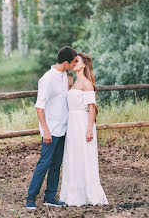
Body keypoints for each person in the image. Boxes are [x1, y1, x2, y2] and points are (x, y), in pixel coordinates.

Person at [26, 46, 77, 209]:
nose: (75, 65)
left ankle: (50, 196)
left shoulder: (64, 76)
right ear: (66, 62)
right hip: (51, 130)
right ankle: (31, 198)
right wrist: (46, 130)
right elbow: (39, 107)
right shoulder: (47, 79)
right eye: (74, 62)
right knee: (44, 163)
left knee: (56, 165)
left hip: (62, 129)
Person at [60, 52, 109, 206]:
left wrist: (89, 129)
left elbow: (92, 109)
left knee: (84, 156)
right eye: (73, 61)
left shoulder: (87, 84)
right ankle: (73, 193)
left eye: (77, 61)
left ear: (84, 65)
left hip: (83, 123)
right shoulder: (73, 82)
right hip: (73, 123)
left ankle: (88, 193)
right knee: (73, 157)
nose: (74, 63)